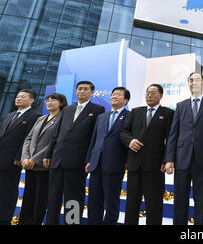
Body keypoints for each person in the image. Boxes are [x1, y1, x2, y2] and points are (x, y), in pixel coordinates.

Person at [44, 81, 105, 225]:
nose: (82, 92)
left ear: (92, 92)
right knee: (53, 197)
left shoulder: (98, 109)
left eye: (85, 89)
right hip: (57, 159)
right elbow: (56, 134)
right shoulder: (67, 109)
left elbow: (95, 137)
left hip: (78, 161)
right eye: (79, 89)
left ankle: (71, 223)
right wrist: (48, 154)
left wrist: (90, 159)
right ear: (76, 91)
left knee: (73, 197)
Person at [165, 72, 203, 225]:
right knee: (180, 199)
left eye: (197, 80)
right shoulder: (180, 105)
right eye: (190, 80)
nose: (193, 83)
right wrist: (169, 159)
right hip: (182, 158)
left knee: (201, 199)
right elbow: (173, 134)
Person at [120, 84, 174, 225]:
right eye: (147, 92)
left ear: (161, 96)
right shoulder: (136, 111)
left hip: (155, 166)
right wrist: (130, 141)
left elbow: (170, 139)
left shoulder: (168, 113)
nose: (149, 95)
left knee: (154, 203)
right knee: (131, 203)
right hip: (134, 164)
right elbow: (124, 132)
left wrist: (167, 160)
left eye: (153, 93)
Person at [19, 93, 67, 225]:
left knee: (40, 199)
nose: (49, 102)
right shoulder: (41, 118)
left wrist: (35, 158)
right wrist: (25, 158)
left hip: (44, 165)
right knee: (28, 197)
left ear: (61, 103)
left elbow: (54, 142)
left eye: (53, 100)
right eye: (47, 100)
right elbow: (28, 139)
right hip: (29, 165)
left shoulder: (62, 119)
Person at [85, 87, 131, 225]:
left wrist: (127, 161)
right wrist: (89, 159)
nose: (114, 96)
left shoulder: (130, 116)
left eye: (118, 95)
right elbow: (94, 139)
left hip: (115, 163)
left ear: (126, 100)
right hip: (96, 163)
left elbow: (129, 139)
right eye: (113, 94)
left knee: (111, 201)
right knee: (94, 200)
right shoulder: (102, 116)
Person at [0, 89, 41, 225]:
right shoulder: (10, 115)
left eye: (22, 97)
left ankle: (5, 217)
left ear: (31, 100)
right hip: (1, 156)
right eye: (17, 96)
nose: (18, 98)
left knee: (8, 190)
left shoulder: (34, 116)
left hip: (13, 160)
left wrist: (20, 157)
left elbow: (28, 139)